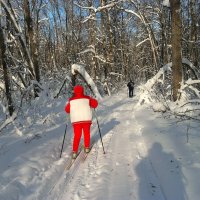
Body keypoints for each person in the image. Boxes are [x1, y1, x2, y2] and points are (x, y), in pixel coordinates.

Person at [65, 85, 98, 159]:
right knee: (86, 134)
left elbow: (67, 110)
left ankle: (74, 152)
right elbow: (95, 104)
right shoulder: (87, 98)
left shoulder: (71, 101)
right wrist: (93, 100)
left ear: (75, 91)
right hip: (86, 120)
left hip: (76, 121)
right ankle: (86, 148)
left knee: (77, 135)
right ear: (83, 90)